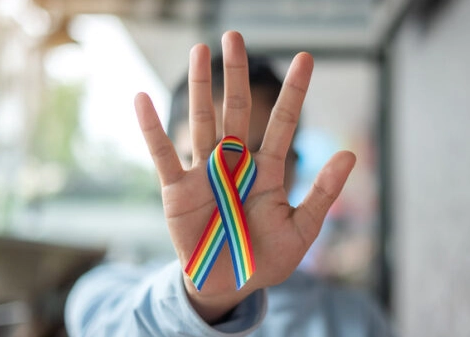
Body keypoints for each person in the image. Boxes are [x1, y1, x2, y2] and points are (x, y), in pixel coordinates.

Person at [65, 31, 392, 337]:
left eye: (260, 158)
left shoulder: (352, 319)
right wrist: (202, 300)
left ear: (292, 165)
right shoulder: (105, 294)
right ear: (166, 168)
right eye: (214, 160)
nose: (236, 184)